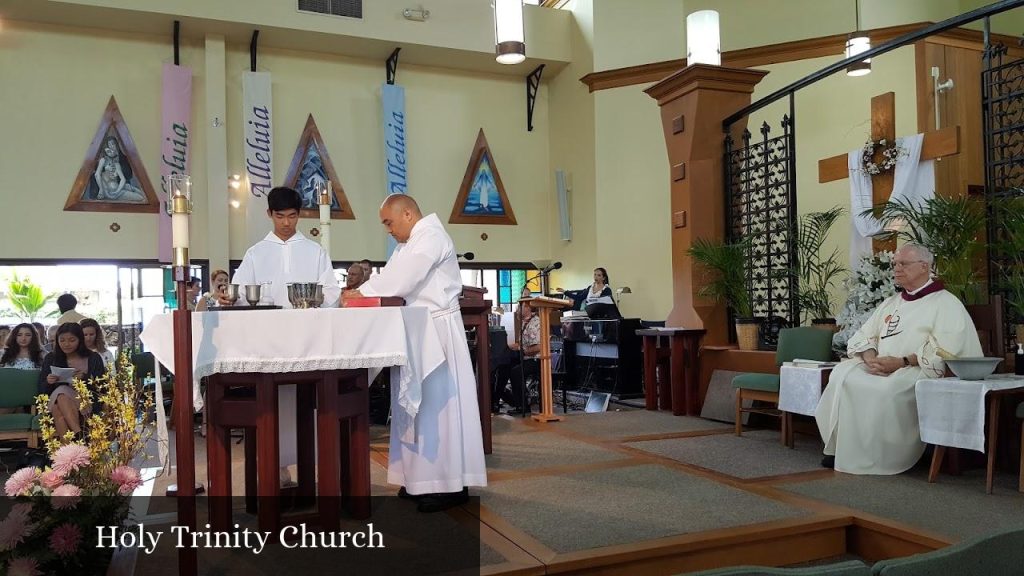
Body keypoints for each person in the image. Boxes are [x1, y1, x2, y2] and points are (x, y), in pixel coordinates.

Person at [342, 194, 486, 513]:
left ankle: (449, 485)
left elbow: (402, 280)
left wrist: (360, 293)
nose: (387, 229)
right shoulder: (406, 245)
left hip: (438, 332)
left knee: (438, 410)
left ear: (407, 214)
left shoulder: (431, 236)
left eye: (388, 222)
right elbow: (391, 278)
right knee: (414, 409)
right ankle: (420, 480)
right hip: (416, 329)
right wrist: (363, 292)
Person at [815, 243, 982, 475]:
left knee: (885, 390)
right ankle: (839, 449)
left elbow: (947, 349)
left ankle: (878, 455)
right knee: (842, 374)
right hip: (882, 365)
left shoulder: (946, 303)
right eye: (895, 264)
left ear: (925, 267)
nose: (897, 268)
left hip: (916, 370)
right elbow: (864, 334)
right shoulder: (892, 302)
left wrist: (902, 362)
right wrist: (871, 357)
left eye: (903, 264)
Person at [219, 186, 341, 486]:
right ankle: (276, 466)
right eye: (280, 216)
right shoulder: (256, 253)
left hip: (306, 341)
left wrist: (315, 303)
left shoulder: (314, 251)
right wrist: (227, 298)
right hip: (268, 344)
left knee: (308, 404)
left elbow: (332, 292)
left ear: (299, 214)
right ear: (269, 214)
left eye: (292, 216)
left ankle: (312, 465)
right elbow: (239, 290)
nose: (287, 223)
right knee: (272, 405)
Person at [39, 323, 106, 438]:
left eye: (71, 340)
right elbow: (41, 389)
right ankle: (79, 435)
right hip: (55, 400)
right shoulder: (51, 358)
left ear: (80, 340)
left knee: (58, 407)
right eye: (62, 340)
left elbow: (101, 387)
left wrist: (84, 378)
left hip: (86, 401)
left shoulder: (93, 358)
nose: (66, 344)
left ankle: (69, 452)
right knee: (61, 394)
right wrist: (49, 382)